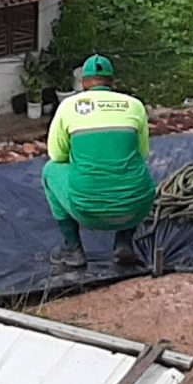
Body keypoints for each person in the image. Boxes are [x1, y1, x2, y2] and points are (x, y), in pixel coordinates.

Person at [42, 55, 157, 272]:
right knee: (136, 170)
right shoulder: (134, 105)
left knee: (49, 171)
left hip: (87, 210)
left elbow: (56, 155)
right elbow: (142, 154)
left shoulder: (69, 107)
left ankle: (73, 248)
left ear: (83, 83)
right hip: (134, 209)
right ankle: (124, 243)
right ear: (112, 83)